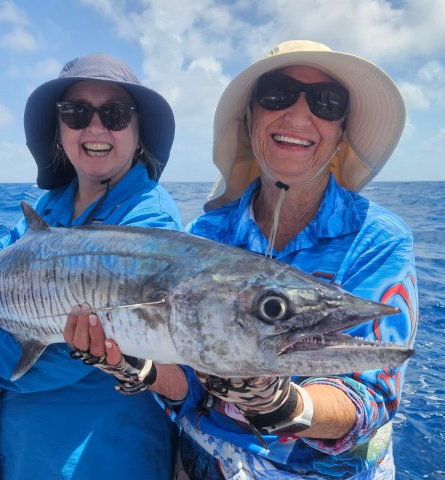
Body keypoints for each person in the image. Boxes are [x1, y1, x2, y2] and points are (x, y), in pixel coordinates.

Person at [72, 40, 418, 478]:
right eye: (277, 93)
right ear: (250, 116)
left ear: (341, 129)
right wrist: (139, 366)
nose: (298, 115)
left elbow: (370, 393)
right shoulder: (207, 235)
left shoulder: (378, 239)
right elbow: (190, 388)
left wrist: (285, 404)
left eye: (326, 102)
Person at [0, 53, 183, 479]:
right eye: (76, 113)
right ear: (58, 130)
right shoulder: (51, 205)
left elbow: (73, 350)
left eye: (115, 114)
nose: (95, 128)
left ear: (138, 132)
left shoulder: (148, 224)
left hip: (91, 458)